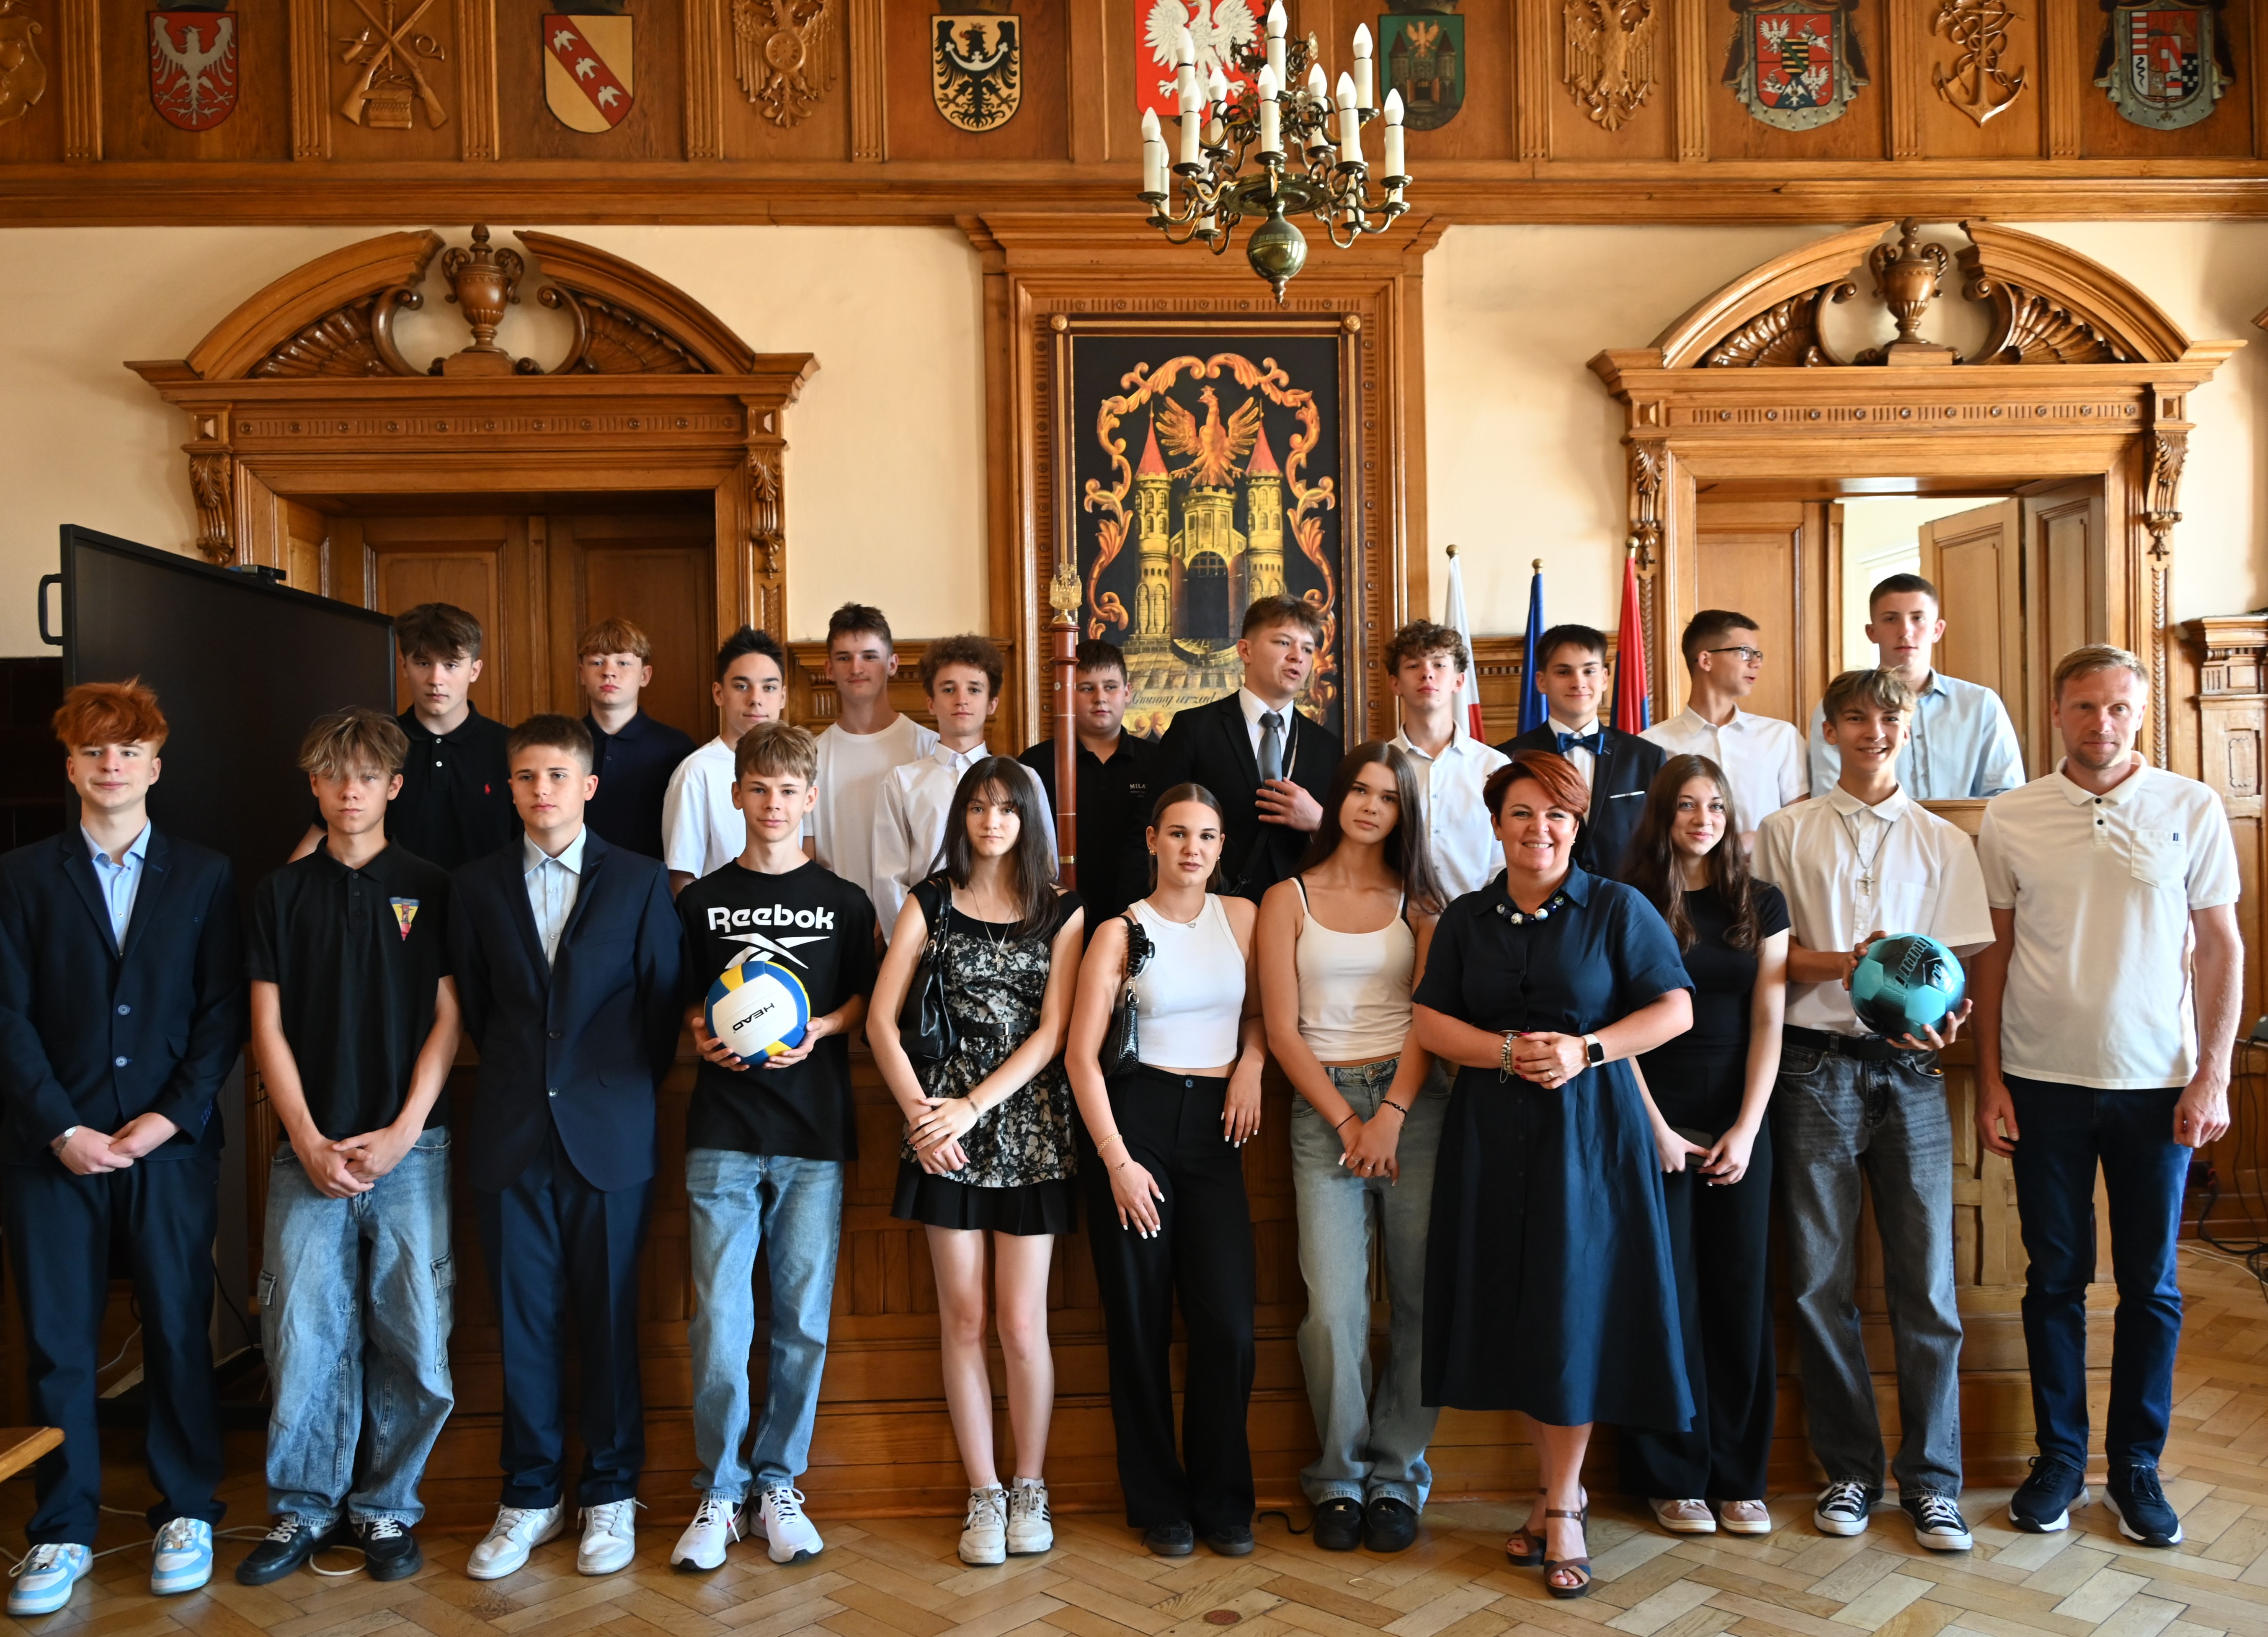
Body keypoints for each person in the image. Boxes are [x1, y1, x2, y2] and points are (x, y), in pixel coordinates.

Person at [1972, 645, 2242, 1547]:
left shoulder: (2191, 805)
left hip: (2156, 1085)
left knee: (2150, 1284)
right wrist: (1990, 1078)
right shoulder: (2012, 814)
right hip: (2042, 1080)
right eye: (2085, 705)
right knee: (2053, 1280)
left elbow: (2221, 948)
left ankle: (2135, 1466)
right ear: (2056, 712)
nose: (2102, 722)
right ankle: (2058, 1457)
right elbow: (1994, 954)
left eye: (2119, 706)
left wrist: (2213, 1072)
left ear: (2141, 712)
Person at [1412, 750, 1696, 1600]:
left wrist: (1586, 1049)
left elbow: (1675, 1008)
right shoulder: (1466, 918)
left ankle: (1564, 1503)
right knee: (1520, 1311)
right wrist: (1507, 1051)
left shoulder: (1616, 907)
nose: (1539, 829)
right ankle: (1551, 1491)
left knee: (1572, 1310)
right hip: (1490, 1133)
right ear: (1497, 825)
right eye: (1522, 814)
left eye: (1556, 815)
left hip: (1591, 1135)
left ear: (1577, 825)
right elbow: (1430, 1020)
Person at [0, 681, 241, 1615]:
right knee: (58, 1341)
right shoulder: (20, 875)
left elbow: (221, 1012)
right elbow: (8, 1015)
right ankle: (62, 1526)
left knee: (179, 1328)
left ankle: (187, 1508)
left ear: (155, 766)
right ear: (71, 767)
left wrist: (169, 1116)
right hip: (49, 1147)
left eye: (129, 750)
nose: (112, 765)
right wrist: (62, 1127)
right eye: (95, 751)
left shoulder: (207, 874)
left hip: (168, 1146)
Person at [1752, 668, 1992, 1552]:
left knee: (1926, 1285)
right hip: (1811, 1067)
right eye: (1854, 717)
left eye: (1887, 717)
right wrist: (1847, 964)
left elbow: (1953, 969)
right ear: (1829, 730)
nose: (1872, 730)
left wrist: (1947, 1022)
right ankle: (1849, 1469)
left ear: (1907, 729)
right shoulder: (1784, 832)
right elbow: (1764, 957)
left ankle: (1933, 1482)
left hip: (1912, 1075)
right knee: (1819, 1284)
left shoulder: (1944, 841)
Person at [449, 715, 685, 1580]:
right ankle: (531, 1493)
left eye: (557, 775)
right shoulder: (475, 885)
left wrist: (607, 1090)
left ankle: (611, 1491)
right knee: (525, 1323)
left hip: (609, 1133)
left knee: (612, 1318)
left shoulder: (641, 879)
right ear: (508, 788)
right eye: (526, 777)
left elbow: (660, 1008)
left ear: (587, 785)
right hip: (511, 1133)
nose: (541, 790)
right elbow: (480, 1010)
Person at [240, 708, 461, 1586]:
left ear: (394, 786)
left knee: (413, 1334)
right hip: (309, 1150)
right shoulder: (279, 892)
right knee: (301, 1332)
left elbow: (448, 1017)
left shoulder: (432, 885)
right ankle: (304, 1505)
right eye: (333, 775)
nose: (349, 790)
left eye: (367, 776)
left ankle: (385, 1506)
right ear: (314, 785)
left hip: (413, 1150)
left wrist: (404, 1130)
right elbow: (266, 1024)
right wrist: (305, 1136)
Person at [867, 758, 1085, 1566]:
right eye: (979, 807)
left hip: (1030, 1127)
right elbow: (882, 1022)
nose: (993, 821)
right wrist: (924, 1115)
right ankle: (984, 1491)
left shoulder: (1062, 910)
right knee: (962, 1317)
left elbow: (1053, 1033)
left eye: (1008, 809)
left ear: (1030, 820)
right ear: (961, 816)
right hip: (941, 1133)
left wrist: (973, 1104)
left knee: (1021, 1322)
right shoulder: (929, 901)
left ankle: (1030, 1484)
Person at [672, 722, 877, 1572]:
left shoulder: (846, 900)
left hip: (811, 1132)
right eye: (758, 788)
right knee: (720, 1322)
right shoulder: (698, 902)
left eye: (788, 790)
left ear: (810, 797)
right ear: (736, 795)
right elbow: (680, 998)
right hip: (722, 1131)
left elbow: (867, 999)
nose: (772, 803)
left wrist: (822, 1026)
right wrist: (699, 1028)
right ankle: (720, 1490)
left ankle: (777, 1485)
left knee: (800, 1322)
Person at [1065, 785, 1267, 1558]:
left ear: (1221, 847)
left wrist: (1251, 1064)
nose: (1192, 848)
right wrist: (1116, 1159)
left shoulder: (1241, 916)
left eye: (1207, 836)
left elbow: (1259, 1015)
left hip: (1217, 1126)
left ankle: (1224, 1501)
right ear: (1152, 839)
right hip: (1135, 1122)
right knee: (1139, 1320)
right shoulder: (1119, 930)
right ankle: (1160, 1504)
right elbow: (1081, 1057)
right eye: (1178, 833)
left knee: (1229, 1325)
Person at [1257, 743, 1446, 1555]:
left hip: (1414, 1106)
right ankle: (1338, 1476)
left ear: (1405, 811)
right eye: (1360, 790)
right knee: (1333, 1307)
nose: (1372, 806)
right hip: (1321, 1110)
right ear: (1337, 799)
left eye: (1389, 796)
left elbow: (1429, 1019)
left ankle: (1397, 1475)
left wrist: (1391, 1113)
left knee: (1421, 1297)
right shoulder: (1286, 897)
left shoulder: (1422, 902)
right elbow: (1281, 1029)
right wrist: (1346, 1121)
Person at [1618, 754, 1790, 1538]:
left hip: (1740, 1115)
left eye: (1716, 805)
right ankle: (1671, 1474)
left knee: (1739, 1296)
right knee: (1663, 1296)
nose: (1703, 819)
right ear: (1662, 814)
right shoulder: (1627, 901)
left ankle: (1739, 1477)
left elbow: (1768, 1018)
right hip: (1651, 1115)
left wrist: (1747, 1127)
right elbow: (1609, 1023)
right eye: (1687, 805)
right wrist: (1655, 1126)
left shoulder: (1761, 901)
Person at [291, 601, 517, 870]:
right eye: (423, 663)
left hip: (486, 897)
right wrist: (281, 891)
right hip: (390, 897)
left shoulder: (512, 748)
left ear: (475, 670)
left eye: (451, 665)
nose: (436, 679)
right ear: (404, 666)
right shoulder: (373, 744)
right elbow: (323, 835)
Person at [1150, 596, 1343, 899]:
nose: (1297, 657)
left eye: (1307, 649)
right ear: (1245, 650)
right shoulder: (1195, 729)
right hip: (1211, 905)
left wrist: (1319, 821)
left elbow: (1351, 848)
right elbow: (1152, 824)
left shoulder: (1327, 747)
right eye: (1283, 643)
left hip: (1301, 909)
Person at [871, 633, 1053, 931]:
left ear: (992, 703)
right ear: (931, 703)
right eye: (949, 689)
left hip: (1009, 930)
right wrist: (913, 942)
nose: (961, 699)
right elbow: (889, 879)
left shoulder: (1025, 779)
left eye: (974, 689)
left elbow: (1042, 864)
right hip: (927, 933)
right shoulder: (902, 782)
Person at [1807, 575, 2024, 799]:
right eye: (1891, 619)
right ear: (1872, 633)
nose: (1905, 631)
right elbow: (1830, 798)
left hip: (1970, 824)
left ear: (1937, 630)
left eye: (1918, 618)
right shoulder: (1837, 706)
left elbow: (2007, 796)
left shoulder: (1981, 704)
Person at [1501, 624, 1665, 879]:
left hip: (1628, 896)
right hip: (1541, 896)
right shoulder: (1509, 757)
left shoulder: (1645, 756)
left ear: (1604, 679)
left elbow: (1662, 840)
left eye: (1589, 671)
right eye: (1564, 672)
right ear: (1542, 682)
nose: (1578, 683)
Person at [1020, 638, 1159, 927]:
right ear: (1068, 695)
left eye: (1110, 687)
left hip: (1142, 911)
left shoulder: (1158, 761)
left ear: (1127, 692)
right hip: (1056, 914)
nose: (1100, 698)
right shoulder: (1035, 764)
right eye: (1086, 688)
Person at [1641, 611, 1806, 851]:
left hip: (1768, 869)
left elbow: (1800, 821)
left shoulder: (1781, 736)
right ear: (1706, 660)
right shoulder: (1652, 744)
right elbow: (1650, 826)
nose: (1756, 663)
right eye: (1745, 652)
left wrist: (1752, 841)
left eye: (1758, 654)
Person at [812, 603, 938, 907]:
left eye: (869, 656)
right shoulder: (811, 755)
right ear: (829, 669)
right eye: (844, 658)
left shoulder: (930, 747)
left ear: (892, 664)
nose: (856, 669)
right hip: (837, 919)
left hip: (914, 918)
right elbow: (807, 856)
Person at [663, 625, 792, 896]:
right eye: (742, 686)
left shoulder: (798, 768)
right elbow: (682, 876)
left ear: (782, 696)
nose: (756, 699)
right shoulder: (697, 771)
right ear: (719, 693)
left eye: (769, 688)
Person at [1383, 619, 1507, 900]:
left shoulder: (1494, 766)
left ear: (1458, 681)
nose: (1427, 674)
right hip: (1393, 916)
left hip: (1476, 916)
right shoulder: (1380, 766)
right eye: (1413, 666)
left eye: (1439, 665)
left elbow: (1503, 857)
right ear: (1395, 683)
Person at [579, 616, 697, 863]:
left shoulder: (677, 748)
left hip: (652, 878)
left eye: (623, 663)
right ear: (582, 674)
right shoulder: (563, 744)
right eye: (597, 662)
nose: (609, 672)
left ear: (645, 675)